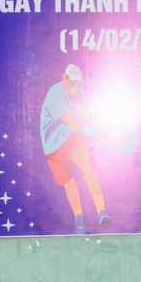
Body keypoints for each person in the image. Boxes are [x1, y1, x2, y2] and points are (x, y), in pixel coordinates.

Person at [40, 64, 111, 234]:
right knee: (69, 183)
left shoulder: (77, 91)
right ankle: (79, 219)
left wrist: (89, 115)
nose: (75, 86)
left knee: (87, 165)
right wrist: (93, 132)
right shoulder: (55, 93)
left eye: (78, 83)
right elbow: (69, 121)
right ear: (64, 78)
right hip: (52, 145)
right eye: (73, 82)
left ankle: (102, 212)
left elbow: (77, 107)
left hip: (70, 136)